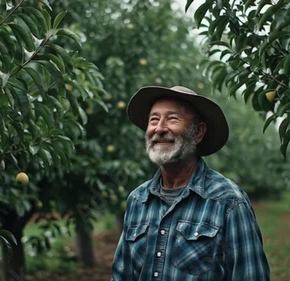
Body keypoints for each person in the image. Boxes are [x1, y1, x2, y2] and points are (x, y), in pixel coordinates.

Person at [111, 85, 270, 280]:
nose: (159, 128)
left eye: (172, 119)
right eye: (154, 120)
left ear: (198, 132)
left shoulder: (228, 202)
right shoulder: (137, 200)